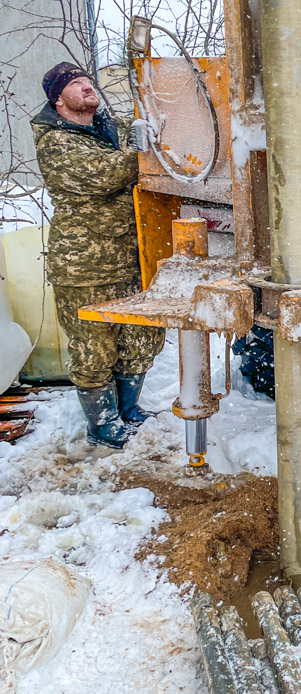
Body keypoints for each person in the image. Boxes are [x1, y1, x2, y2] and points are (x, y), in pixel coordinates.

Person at [31, 62, 165, 449]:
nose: (88, 87)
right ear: (59, 100)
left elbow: (155, 131)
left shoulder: (112, 129)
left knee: (140, 339)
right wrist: (145, 150)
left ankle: (127, 411)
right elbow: (104, 173)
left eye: (88, 80)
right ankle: (103, 425)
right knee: (94, 348)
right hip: (85, 267)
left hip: (131, 259)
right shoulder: (56, 143)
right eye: (76, 83)